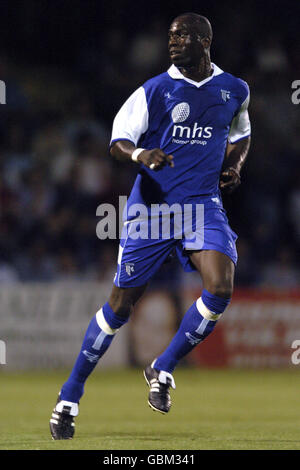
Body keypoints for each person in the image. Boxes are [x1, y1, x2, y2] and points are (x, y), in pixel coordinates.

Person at [50, 12, 251, 440]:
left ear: (205, 40)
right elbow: (117, 140)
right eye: (171, 36)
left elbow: (241, 133)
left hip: (202, 206)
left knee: (221, 286)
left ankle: (163, 366)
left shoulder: (234, 89)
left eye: (183, 36)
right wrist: (141, 155)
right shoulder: (154, 91)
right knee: (120, 308)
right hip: (153, 212)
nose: (174, 43)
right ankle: (69, 395)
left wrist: (234, 165)